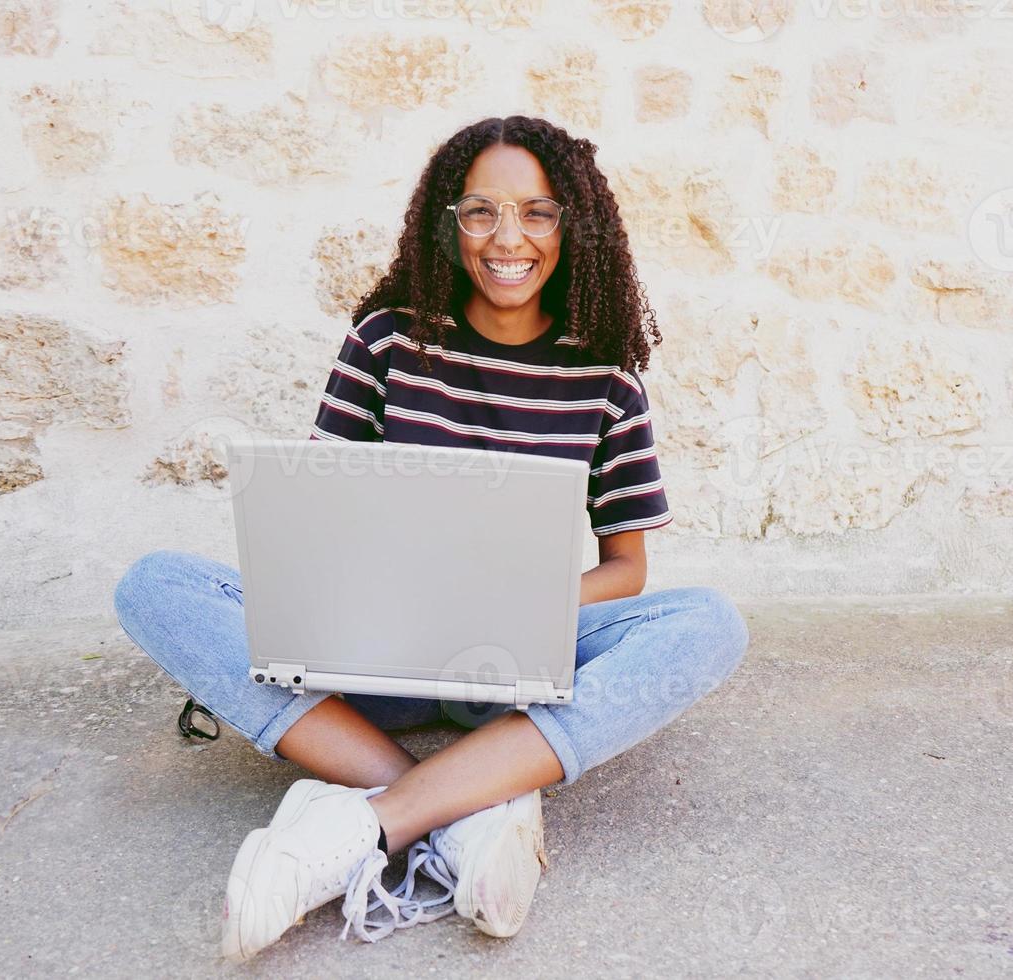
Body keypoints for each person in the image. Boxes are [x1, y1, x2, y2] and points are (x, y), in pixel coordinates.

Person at [112, 115, 750, 962]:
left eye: (537, 212)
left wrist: (516, 602)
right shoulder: (385, 341)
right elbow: (315, 518)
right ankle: (474, 810)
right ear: (448, 224)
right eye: (480, 211)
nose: (507, 238)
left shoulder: (606, 380)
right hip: (376, 653)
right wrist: (374, 597)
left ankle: (376, 822)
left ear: (574, 225)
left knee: (709, 622)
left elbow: (628, 570)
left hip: (519, 655)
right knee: (154, 583)